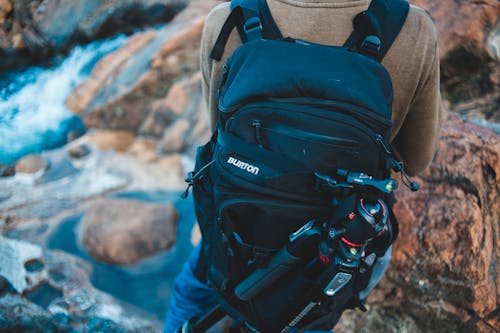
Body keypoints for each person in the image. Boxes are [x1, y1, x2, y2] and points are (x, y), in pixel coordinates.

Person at [164, 0, 443, 332]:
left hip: (240, 228)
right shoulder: (412, 28)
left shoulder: (228, 20)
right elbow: (416, 159)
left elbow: (220, 139)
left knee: (194, 288)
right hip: (339, 242)